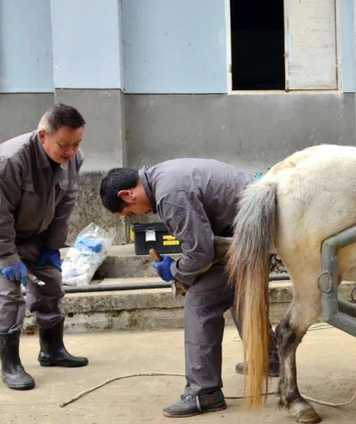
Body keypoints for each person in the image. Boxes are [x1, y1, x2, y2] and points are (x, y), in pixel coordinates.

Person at [100, 159, 279, 418]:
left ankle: (204, 393)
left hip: (253, 233)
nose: (140, 214)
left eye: (130, 212)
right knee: (237, 292)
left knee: (201, 302)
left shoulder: (169, 194)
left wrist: (175, 272)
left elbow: (201, 252)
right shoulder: (165, 175)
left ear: (127, 194)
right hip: (253, 229)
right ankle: (268, 359)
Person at [0, 104, 88, 391]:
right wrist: (7, 256)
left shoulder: (74, 158)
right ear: (42, 136)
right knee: (8, 297)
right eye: (64, 145)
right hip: (3, 237)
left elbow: (66, 203)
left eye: (77, 143)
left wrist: (53, 247)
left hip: (37, 235)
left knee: (51, 284)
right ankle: (10, 364)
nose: (71, 152)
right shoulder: (10, 161)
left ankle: (52, 351)